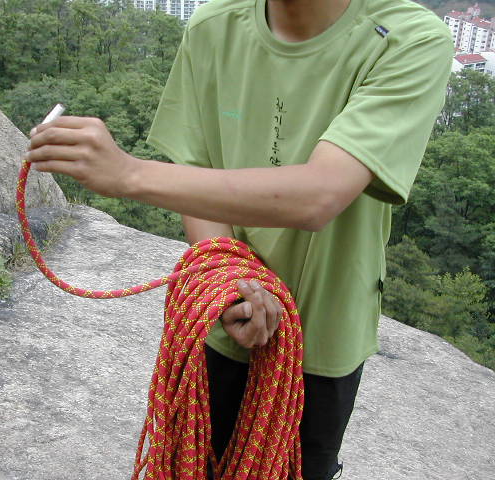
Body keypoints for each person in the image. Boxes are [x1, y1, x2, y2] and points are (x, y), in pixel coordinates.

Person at [26, 0, 453, 477]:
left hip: (321, 337)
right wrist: (231, 283)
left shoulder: (406, 39)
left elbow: (320, 195)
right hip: (218, 319)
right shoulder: (214, 26)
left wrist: (128, 174)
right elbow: (197, 166)